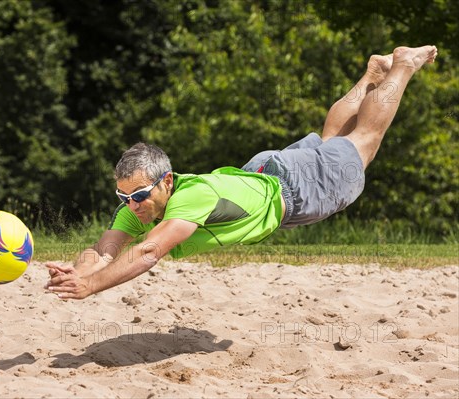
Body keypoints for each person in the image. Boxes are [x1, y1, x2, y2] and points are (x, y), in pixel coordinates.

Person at [44, 45, 437, 299]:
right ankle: (371, 76)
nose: (133, 205)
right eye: (124, 198)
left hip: (293, 190)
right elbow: (104, 250)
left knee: (363, 141)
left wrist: (90, 287)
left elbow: (147, 252)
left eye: (139, 196)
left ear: (166, 181)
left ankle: (401, 66)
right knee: (333, 138)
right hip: (263, 173)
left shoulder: (189, 198)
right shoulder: (141, 201)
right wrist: (77, 272)